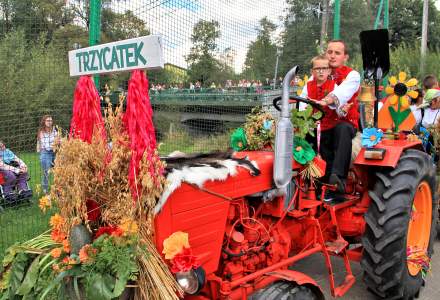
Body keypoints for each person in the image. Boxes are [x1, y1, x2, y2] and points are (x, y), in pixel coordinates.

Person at [311, 40, 360, 202]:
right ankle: (306, 183)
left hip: (344, 122)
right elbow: (307, 94)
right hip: (322, 124)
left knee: (341, 128)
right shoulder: (317, 74)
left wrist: (328, 99)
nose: (332, 56)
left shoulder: (352, 75)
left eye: (337, 53)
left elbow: (342, 92)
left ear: (345, 57)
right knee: (306, 133)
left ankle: (337, 180)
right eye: (329, 52)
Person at [37, 115, 59, 194]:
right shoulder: (41, 132)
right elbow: (46, 146)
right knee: (46, 172)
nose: (49, 122)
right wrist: (55, 143)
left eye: (50, 120)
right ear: (44, 122)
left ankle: (57, 190)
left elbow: (59, 140)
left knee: (57, 171)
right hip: (46, 153)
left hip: (55, 152)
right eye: (48, 121)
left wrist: (59, 142)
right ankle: (45, 190)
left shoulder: (55, 130)